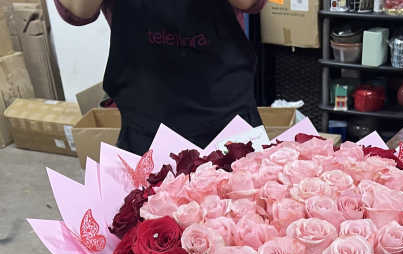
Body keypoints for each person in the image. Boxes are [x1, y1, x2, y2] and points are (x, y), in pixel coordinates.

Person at [55, 0, 266, 153]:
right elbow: (79, 9)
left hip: (228, 118)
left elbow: (248, 2)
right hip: (146, 120)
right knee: (150, 199)